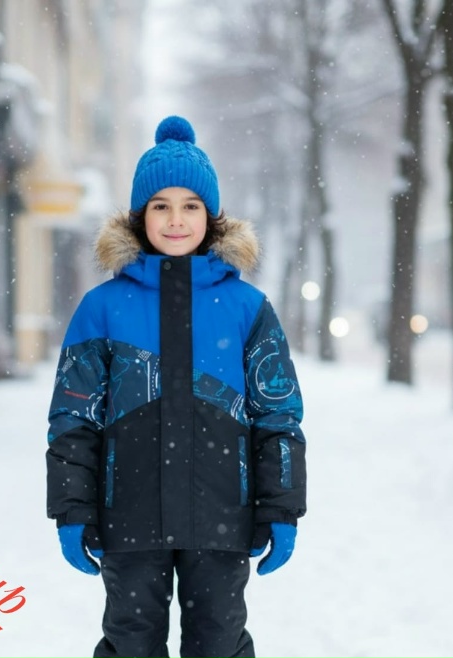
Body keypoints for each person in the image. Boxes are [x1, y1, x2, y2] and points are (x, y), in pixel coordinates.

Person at [46, 115, 307, 658]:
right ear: (140, 216)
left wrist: (280, 507)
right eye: (160, 206)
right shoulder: (102, 307)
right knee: (131, 644)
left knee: (219, 644)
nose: (175, 220)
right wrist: (72, 509)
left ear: (211, 216)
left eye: (190, 206)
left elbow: (277, 414)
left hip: (221, 515)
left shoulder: (247, 308)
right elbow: (74, 418)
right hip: (129, 514)